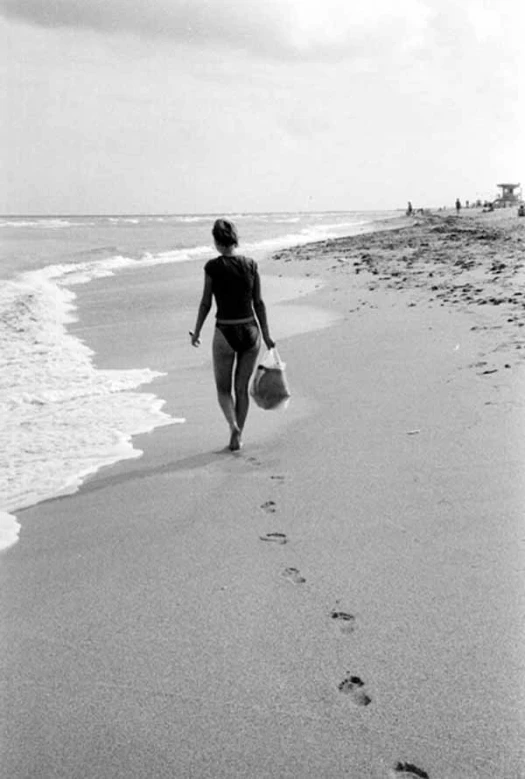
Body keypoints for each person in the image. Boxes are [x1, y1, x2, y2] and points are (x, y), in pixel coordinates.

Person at [190, 218, 275, 451]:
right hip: (250, 331)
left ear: (217, 242)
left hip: (225, 331)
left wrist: (196, 331)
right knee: (241, 389)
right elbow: (258, 302)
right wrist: (266, 335)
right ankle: (238, 436)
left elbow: (206, 303)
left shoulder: (212, 267)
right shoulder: (251, 265)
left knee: (223, 390)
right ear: (234, 240)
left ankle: (232, 425)